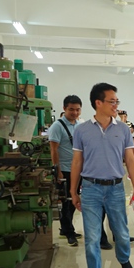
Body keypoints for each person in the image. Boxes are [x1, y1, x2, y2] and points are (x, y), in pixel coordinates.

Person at [70, 82, 134, 268]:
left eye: (117, 101)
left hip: (115, 189)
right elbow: (77, 162)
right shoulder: (81, 130)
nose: (116, 105)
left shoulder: (123, 129)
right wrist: (73, 191)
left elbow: (130, 160)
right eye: (112, 101)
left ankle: (124, 259)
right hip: (90, 189)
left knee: (121, 233)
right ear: (98, 103)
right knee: (92, 237)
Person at [48, 95, 82, 246]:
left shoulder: (79, 125)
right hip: (64, 170)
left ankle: (66, 228)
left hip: (77, 170)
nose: (75, 113)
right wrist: (58, 170)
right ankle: (69, 232)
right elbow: (53, 150)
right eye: (71, 109)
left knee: (73, 200)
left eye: (77, 110)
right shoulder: (57, 126)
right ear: (64, 109)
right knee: (65, 202)